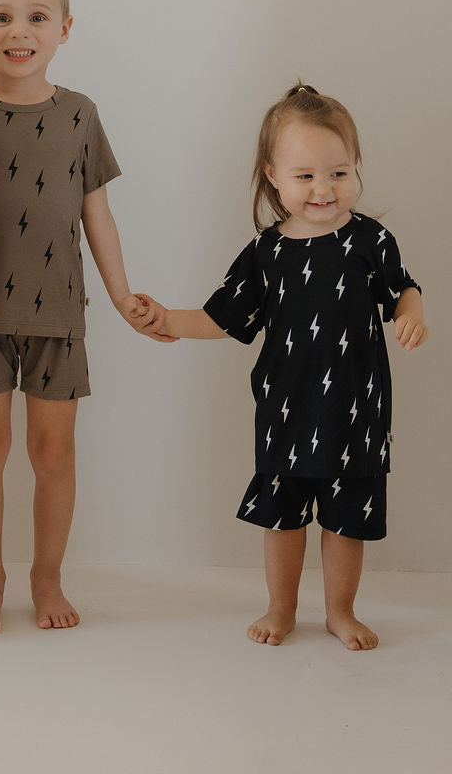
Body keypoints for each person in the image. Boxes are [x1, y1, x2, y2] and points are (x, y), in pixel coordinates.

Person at [143, 84, 427, 650]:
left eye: (338, 173)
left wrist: (411, 316)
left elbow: (405, 288)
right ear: (272, 176)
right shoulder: (266, 253)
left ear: (355, 169)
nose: (323, 189)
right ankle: (281, 606)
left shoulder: (371, 240)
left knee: (347, 518)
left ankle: (340, 610)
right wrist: (168, 319)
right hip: (286, 410)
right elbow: (225, 316)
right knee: (284, 516)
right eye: (304, 176)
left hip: (355, 411)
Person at [0, 0, 169, 634]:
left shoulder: (79, 114)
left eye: (37, 16)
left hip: (59, 314)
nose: (20, 31)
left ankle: (47, 578)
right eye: (1, 16)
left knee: (54, 453)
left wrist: (124, 294)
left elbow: (96, 213)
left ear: (65, 28)